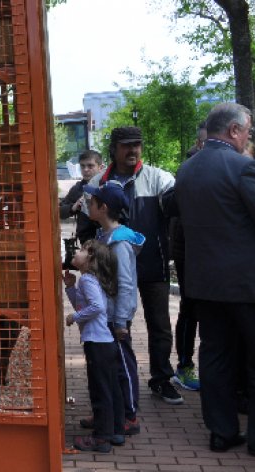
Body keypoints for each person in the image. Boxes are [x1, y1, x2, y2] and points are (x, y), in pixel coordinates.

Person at [176, 102, 255, 456]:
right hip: (249, 285)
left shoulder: (187, 170)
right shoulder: (244, 167)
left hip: (206, 284)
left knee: (215, 357)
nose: (248, 137)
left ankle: (222, 432)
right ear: (233, 130)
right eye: (247, 131)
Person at [89, 127, 182, 405]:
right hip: (111, 269)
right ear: (114, 149)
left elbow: (176, 210)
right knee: (116, 324)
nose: (133, 150)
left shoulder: (160, 178)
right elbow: (85, 228)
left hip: (153, 264)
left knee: (160, 325)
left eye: (137, 145)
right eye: (126, 145)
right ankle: (120, 381)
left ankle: (161, 379)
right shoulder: (97, 183)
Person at [84, 183, 145, 437]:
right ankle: (110, 414)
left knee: (122, 366)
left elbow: (126, 284)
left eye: (92, 201)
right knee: (109, 366)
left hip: (115, 317)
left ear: (104, 207)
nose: (88, 204)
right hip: (107, 314)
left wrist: (120, 320)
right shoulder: (105, 236)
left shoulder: (119, 242)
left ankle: (129, 415)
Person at [63, 241, 125, 453]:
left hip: (97, 344)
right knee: (111, 388)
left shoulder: (88, 279)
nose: (76, 251)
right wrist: (70, 287)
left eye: (81, 250)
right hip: (104, 343)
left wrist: (74, 317)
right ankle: (115, 429)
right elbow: (84, 305)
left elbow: (96, 307)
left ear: (90, 258)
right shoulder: (88, 280)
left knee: (100, 391)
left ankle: (101, 437)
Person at [167, 123, 208, 393]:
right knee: (191, 308)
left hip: (213, 253)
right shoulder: (189, 170)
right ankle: (184, 365)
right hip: (191, 253)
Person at [59, 150, 105, 245]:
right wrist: (73, 207)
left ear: (100, 167)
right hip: (85, 242)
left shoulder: (109, 187)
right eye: (82, 166)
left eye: (90, 166)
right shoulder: (77, 188)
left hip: (107, 240)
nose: (85, 170)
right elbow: (59, 212)